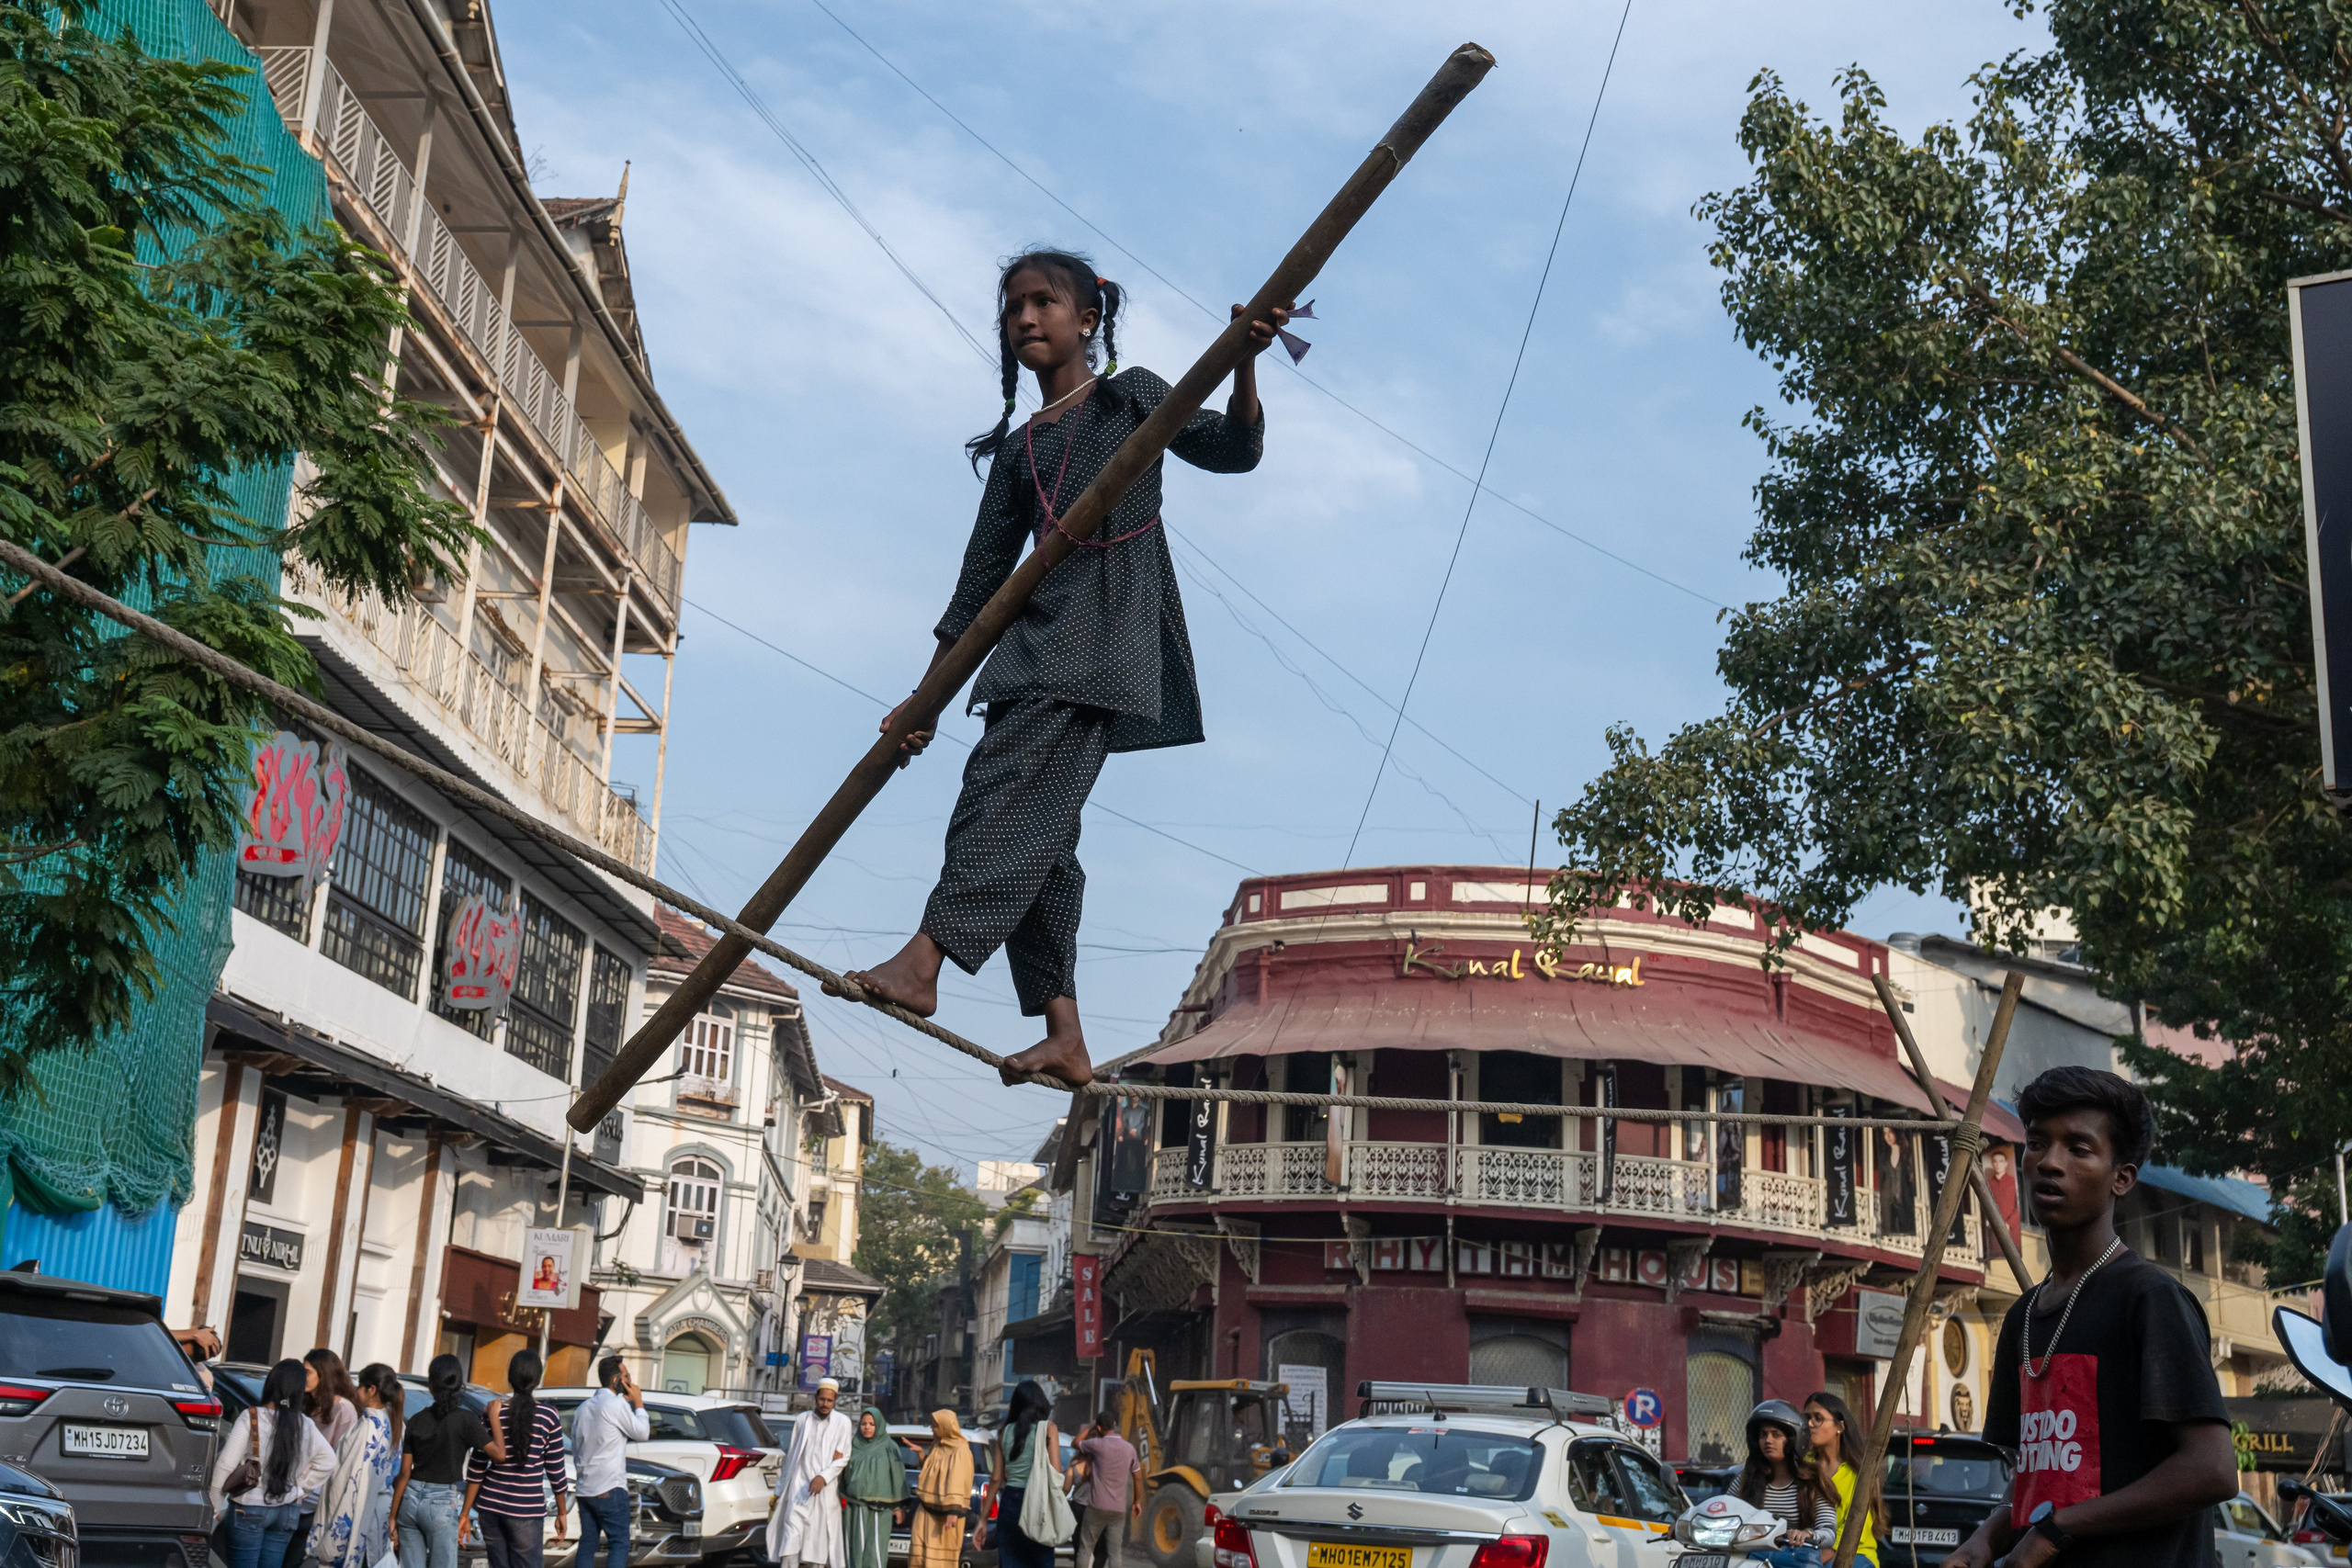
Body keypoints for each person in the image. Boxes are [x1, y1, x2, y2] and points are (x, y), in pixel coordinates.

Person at [826, 249, 1291, 1089]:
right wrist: (926, 696)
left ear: (1089, 318)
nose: (1029, 318)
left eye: (1046, 302)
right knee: (1043, 842)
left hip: (1101, 642)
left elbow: (1233, 450)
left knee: (995, 803)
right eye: (1015, 309)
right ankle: (1065, 1032)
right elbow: (975, 584)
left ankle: (925, 961)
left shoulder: (1133, 396)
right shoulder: (1019, 451)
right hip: (1030, 647)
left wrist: (1246, 358)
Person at [1948, 1066, 2240, 1568]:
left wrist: (2058, 1530)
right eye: (2037, 1144)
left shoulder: (2149, 1299)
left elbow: (2211, 1469)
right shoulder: (2022, 1319)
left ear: (2121, 1177)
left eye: (2078, 1149)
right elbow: (2042, 1475)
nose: (2048, 1163)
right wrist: (1988, 1539)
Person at [213, 1359, 339, 1568]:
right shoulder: (305, 1424)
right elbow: (328, 1461)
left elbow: (226, 1464)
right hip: (287, 1510)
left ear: (272, 1383)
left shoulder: (251, 1417)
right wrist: (300, 1489)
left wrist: (214, 1503)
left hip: (250, 1508)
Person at [463, 1349, 569, 1568]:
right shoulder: (548, 1416)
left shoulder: (494, 1411)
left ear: (510, 1377)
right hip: (526, 1510)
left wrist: (465, 1511)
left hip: (490, 1508)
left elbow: (478, 1464)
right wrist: (562, 1512)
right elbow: (556, 1470)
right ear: (537, 1380)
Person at [396, 1354, 503, 1568]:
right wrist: (494, 1417)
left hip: (410, 1500)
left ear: (431, 1384)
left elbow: (404, 1473)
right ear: (458, 1385)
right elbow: (500, 1455)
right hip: (441, 1501)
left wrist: (393, 1515)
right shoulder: (465, 1420)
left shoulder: (416, 1419)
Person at [314, 1362, 404, 1568]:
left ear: (371, 1390)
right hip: (381, 1509)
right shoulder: (395, 1421)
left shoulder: (368, 1426)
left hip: (357, 1510)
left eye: (360, 1385)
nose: (356, 1390)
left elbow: (349, 1475)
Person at [1731, 1400, 1835, 1567]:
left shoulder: (1812, 1481)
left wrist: (1807, 1534)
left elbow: (1829, 1532)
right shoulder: (1746, 1479)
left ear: (1793, 1439)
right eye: (1763, 1434)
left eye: (1776, 1435)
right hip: (1751, 1557)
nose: (1768, 1440)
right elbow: (1723, 1512)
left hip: (1798, 1556)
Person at [768, 1376, 855, 1568]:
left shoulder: (842, 1423)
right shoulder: (802, 1419)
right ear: (816, 1398)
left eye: (830, 1400)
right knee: (790, 1541)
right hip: (798, 1489)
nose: (825, 1404)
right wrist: (779, 1491)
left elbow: (843, 1457)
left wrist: (823, 1477)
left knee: (817, 1545)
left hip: (823, 1493)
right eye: (822, 1399)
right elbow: (791, 1457)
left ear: (836, 1401)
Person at [571, 1357, 648, 1568]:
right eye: (626, 1377)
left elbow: (576, 1449)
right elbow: (642, 1432)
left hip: (585, 1489)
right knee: (619, 1543)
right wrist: (638, 1403)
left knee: (587, 1544)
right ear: (615, 1379)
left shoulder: (583, 1408)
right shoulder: (616, 1404)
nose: (630, 1381)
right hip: (610, 1487)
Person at [982, 1381, 1061, 1568]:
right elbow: (1057, 1472)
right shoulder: (1049, 1429)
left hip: (1010, 1504)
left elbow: (995, 1480)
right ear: (1041, 1403)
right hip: (1039, 1505)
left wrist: (983, 1520)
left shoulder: (1004, 1432)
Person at [1800, 1393, 1879, 1568]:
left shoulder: (1858, 1472)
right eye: (1807, 1418)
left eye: (1818, 1418)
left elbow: (1857, 1526)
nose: (1810, 1424)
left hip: (1857, 1553)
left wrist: (1822, 1556)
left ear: (1839, 1427)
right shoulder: (1803, 1467)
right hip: (1807, 1551)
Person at [1069, 1412, 1140, 1568]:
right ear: (1115, 1424)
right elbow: (1137, 1477)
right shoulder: (1129, 1449)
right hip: (1118, 1511)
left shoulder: (1097, 1444)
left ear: (1099, 1428)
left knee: (1085, 1549)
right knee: (1115, 1554)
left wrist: (1090, 1426)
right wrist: (1136, 1501)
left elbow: (1075, 1443)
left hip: (1096, 1508)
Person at [842, 1406, 909, 1568]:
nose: (867, 1427)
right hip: (855, 1507)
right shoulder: (852, 1445)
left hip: (881, 1509)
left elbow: (898, 1476)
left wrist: (898, 1506)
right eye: (864, 1423)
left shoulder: (889, 1446)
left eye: (871, 1424)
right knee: (855, 1549)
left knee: (876, 1549)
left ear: (878, 1425)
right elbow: (843, 1475)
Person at [909, 1410, 974, 1568]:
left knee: (941, 1559)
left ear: (945, 1426)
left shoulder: (960, 1449)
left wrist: (953, 1511)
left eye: (935, 1425)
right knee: (919, 1557)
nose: (932, 1428)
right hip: (926, 1511)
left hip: (946, 1515)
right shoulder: (938, 1445)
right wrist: (920, 1454)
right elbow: (933, 1472)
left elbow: (958, 1479)